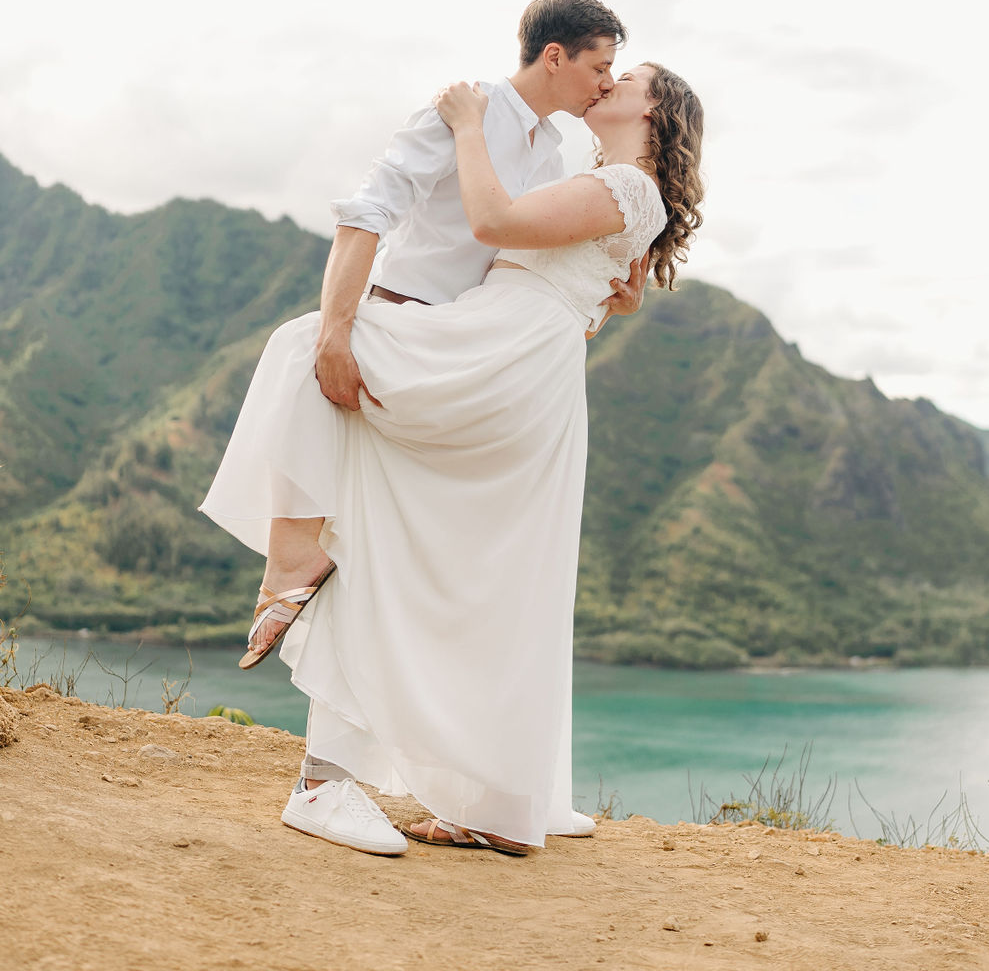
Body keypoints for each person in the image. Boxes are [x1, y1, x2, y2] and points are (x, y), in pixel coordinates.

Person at [200, 58, 705, 858]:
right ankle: (500, 794)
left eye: (630, 77)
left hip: (496, 352)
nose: (612, 82)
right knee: (497, 586)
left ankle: (294, 568)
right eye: (606, 67)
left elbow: (494, 223)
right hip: (531, 370)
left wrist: (469, 126)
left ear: (656, 113)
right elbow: (610, 286)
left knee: (309, 347)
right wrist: (613, 287)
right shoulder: (614, 185)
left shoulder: (627, 187)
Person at [237, 0, 639, 670]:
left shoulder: (550, 156)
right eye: (600, 67)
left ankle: (380, 691)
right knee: (299, 349)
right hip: (401, 326)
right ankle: (294, 568)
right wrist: (338, 332)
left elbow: (526, 265)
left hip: (466, 354)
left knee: (404, 543)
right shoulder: (462, 111)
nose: (606, 84)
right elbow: (367, 212)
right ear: (554, 56)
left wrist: (608, 289)